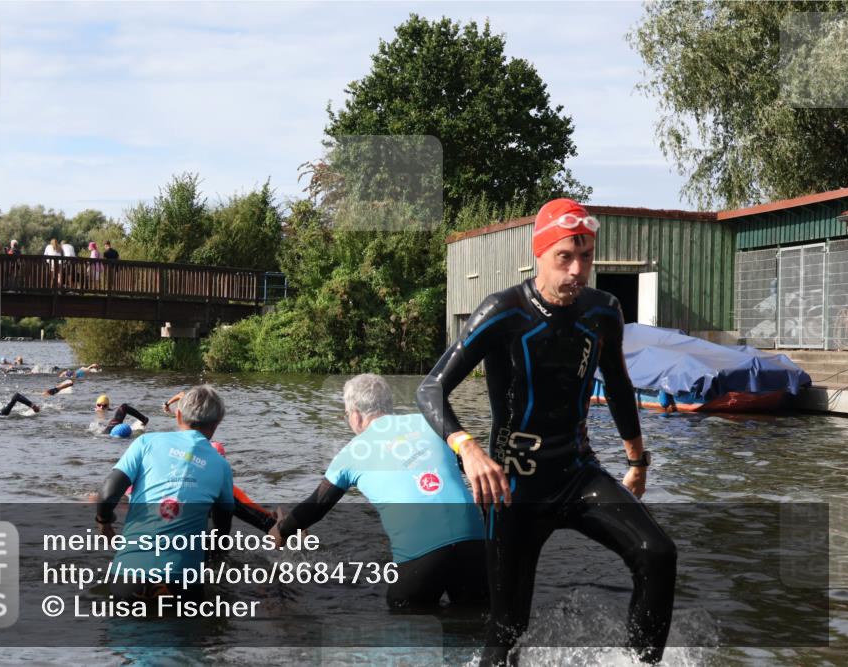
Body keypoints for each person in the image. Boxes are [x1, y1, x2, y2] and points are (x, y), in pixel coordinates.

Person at [416, 198, 676, 666]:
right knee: (507, 628)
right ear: (540, 255)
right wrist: (468, 449)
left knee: (656, 553)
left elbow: (618, 384)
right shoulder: (504, 312)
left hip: (577, 473)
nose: (578, 271)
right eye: (565, 257)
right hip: (513, 486)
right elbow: (430, 389)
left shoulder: (604, 311)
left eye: (587, 257)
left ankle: (641, 663)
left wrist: (636, 461)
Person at [271, 374, 487, 611]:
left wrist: (282, 530)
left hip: (420, 553)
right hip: (476, 541)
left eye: (346, 415)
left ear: (355, 415)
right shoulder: (432, 423)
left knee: (406, 618)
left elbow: (316, 506)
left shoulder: (352, 453)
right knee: (475, 621)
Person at [95, 385, 234, 610]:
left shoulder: (146, 443)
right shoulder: (221, 466)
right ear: (217, 423)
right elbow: (222, 529)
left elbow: (108, 493)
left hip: (128, 579)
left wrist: (103, 523)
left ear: (178, 415)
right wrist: (213, 561)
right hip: (183, 584)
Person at [162, 390, 276, 532]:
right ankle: (220, 549)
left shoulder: (151, 448)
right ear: (215, 425)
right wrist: (270, 519)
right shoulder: (219, 470)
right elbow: (241, 503)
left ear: (178, 417)